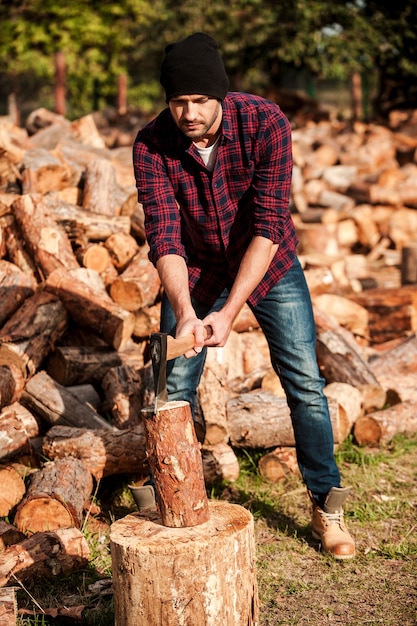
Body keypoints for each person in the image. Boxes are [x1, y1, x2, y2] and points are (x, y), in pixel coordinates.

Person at [132, 32, 355, 560]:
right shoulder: (151, 143)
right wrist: (187, 313)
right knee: (170, 383)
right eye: (178, 101)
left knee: (303, 380)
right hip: (197, 268)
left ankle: (328, 507)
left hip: (268, 261)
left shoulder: (266, 123)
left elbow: (269, 221)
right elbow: (163, 234)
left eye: (200, 101)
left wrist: (230, 312)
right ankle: (166, 499)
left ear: (221, 95)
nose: (188, 112)